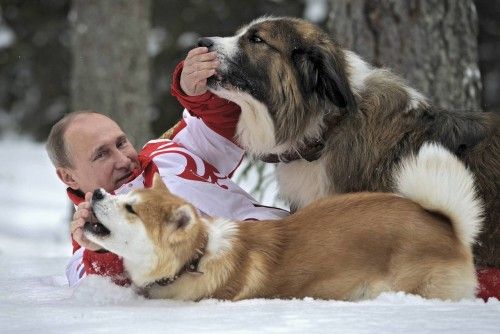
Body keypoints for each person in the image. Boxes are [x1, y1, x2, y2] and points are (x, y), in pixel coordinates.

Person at [46, 47, 289, 287]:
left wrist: (193, 89)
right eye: (101, 155)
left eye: (121, 143)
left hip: (292, 238)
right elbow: (100, 290)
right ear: (68, 177)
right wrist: (103, 245)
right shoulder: (88, 244)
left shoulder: (167, 151)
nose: (122, 160)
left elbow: (227, 123)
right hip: (247, 288)